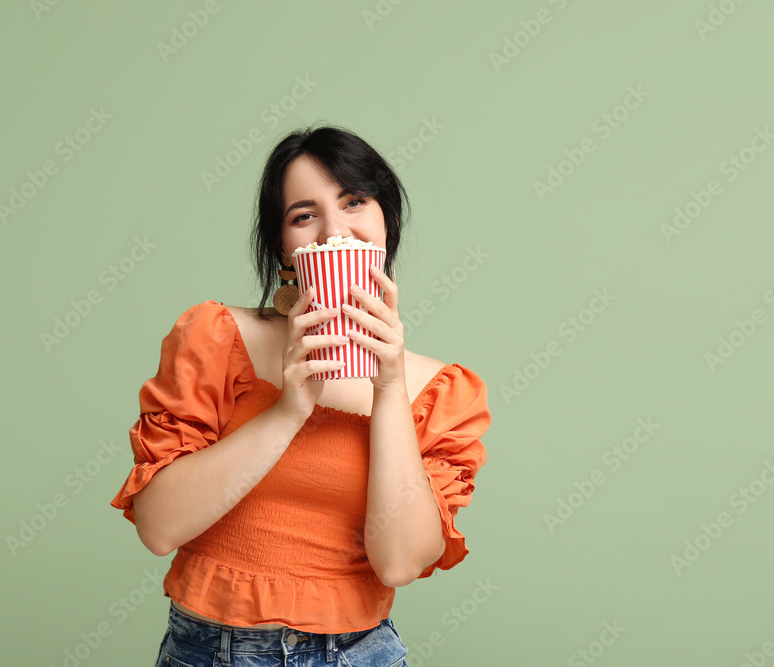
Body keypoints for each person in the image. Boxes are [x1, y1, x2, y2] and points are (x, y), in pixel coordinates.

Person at [109, 124, 492, 667]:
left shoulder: (440, 392)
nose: (336, 231)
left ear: (386, 221)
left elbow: (400, 563)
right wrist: (289, 410)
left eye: (355, 201)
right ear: (283, 248)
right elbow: (158, 527)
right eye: (304, 215)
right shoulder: (216, 339)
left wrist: (388, 388)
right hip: (210, 651)